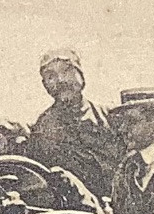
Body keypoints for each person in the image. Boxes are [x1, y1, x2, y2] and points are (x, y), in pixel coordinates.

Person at [25, 49, 127, 202]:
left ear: (81, 74)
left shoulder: (112, 118)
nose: (60, 80)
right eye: (51, 76)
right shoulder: (40, 131)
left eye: (66, 71)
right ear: (44, 85)